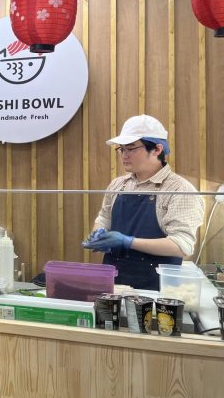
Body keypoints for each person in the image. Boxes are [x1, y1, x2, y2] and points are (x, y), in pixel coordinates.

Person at [83, 115, 205, 290]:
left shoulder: (179, 190)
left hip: (155, 289)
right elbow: (104, 217)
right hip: (113, 284)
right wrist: (98, 233)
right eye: (121, 149)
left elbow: (181, 246)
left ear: (157, 149)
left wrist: (127, 241)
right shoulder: (119, 184)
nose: (124, 155)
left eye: (131, 149)